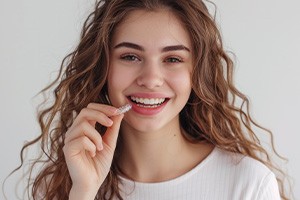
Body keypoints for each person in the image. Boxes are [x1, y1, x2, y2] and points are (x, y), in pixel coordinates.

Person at [12, 0, 290, 199]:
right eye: (130, 57)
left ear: (198, 72)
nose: (151, 78)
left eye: (173, 59)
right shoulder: (66, 184)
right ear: (103, 67)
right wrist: (83, 193)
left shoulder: (247, 184)